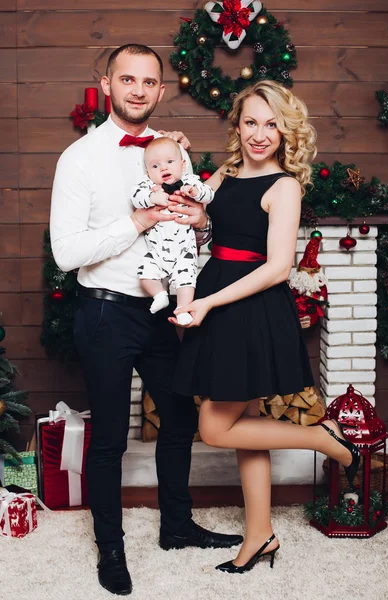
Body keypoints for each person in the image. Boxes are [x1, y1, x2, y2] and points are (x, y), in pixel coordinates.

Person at [50, 44, 242, 596]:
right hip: (107, 312)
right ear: (107, 84)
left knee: (179, 422)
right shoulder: (79, 158)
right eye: (126, 78)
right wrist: (134, 221)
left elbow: (193, 238)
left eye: (149, 81)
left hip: (163, 314)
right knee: (110, 438)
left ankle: (176, 527)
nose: (137, 89)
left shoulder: (172, 155)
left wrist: (203, 221)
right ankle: (110, 548)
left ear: (161, 91)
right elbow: (66, 253)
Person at [171, 80, 360, 574]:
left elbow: (278, 267)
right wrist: (186, 185)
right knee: (244, 429)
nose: (260, 133)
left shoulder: (285, 186)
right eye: (251, 121)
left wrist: (208, 301)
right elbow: (209, 225)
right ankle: (261, 536)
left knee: (215, 428)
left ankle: (323, 438)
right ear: (237, 125)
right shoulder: (226, 172)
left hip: (248, 308)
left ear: (285, 131)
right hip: (220, 299)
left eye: (271, 124)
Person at [129, 136, 214, 325]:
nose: (164, 168)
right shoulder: (149, 186)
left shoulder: (190, 181)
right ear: (148, 172)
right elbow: (135, 198)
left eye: (169, 162)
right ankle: (159, 295)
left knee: (186, 281)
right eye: (155, 166)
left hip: (184, 250)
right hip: (157, 251)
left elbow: (209, 194)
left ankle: (182, 310)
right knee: (145, 273)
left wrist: (195, 192)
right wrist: (152, 197)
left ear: (183, 164)